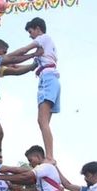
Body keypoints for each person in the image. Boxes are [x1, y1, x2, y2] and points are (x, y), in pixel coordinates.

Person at [18, 17, 60, 164]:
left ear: (37, 28)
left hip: (47, 79)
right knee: (44, 123)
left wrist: (3, 57)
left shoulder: (43, 38)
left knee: (42, 121)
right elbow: (27, 67)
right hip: (51, 79)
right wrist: (5, 65)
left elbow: (24, 50)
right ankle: (48, 155)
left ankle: (49, 157)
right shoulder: (43, 51)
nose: (30, 35)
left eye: (31, 32)